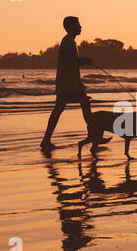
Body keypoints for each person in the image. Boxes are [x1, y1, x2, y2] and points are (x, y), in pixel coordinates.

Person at [40, 16, 110, 150]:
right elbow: (69, 60)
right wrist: (82, 60)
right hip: (68, 84)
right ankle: (94, 137)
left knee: (59, 110)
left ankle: (46, 140)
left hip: (67, 83)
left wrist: (81, 60)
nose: (80, 27)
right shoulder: (68, 41)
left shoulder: (70, 41)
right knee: (84, 105)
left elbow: (71, 60)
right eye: (78, 24)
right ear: (70, 27)